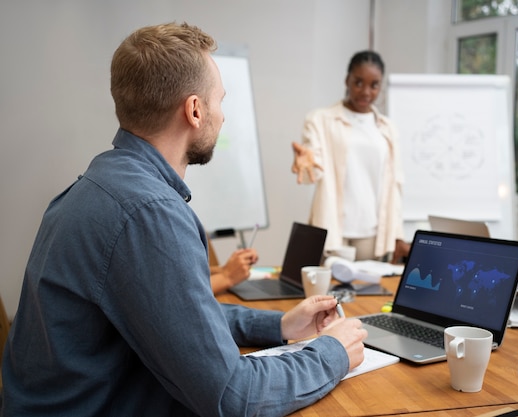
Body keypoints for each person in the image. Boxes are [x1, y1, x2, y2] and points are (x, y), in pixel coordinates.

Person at [1, 22, 367, 417]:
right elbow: (233, 397)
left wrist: (278, 327)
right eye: (220, 101)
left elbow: (175, 313)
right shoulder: (149, 213)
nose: (223, 117)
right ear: (195, 110)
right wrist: (332, 351)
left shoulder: (102, 182)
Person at [291, 50, 409, 263]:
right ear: (347, 80)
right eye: (358, 82)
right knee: (330, 295)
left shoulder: (388, 129)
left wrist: (398, 234)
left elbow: (395, 185)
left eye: (374, 85)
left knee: (369, 295)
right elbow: (312, 172)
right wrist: (306, 163)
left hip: (372, 234)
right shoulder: (320, 120)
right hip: (334, 229)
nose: (365, 92)